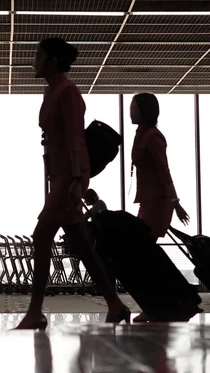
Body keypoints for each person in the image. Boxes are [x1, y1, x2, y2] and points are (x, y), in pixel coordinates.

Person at [15, 38, 130, 329]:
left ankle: (35, 311)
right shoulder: (51, 92)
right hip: (60, 174)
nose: (34, 60)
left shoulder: (68, 92)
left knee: (42, 238)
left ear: (52, 61)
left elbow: (76, 136)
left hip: (69, 176)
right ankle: (115, 305)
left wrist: (79, 178)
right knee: (82, 246)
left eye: (38, 55)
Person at [130, 92, 189, 322]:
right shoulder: (141, 134)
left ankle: (157, 304)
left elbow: (165, 172)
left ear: (144, 111)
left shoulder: (153, 136)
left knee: (143, 254)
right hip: (147, 202)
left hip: (158, 203)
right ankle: (157, 303)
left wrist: (176, 204)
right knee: (142, 254)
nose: (130, 111)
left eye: (134, 107)